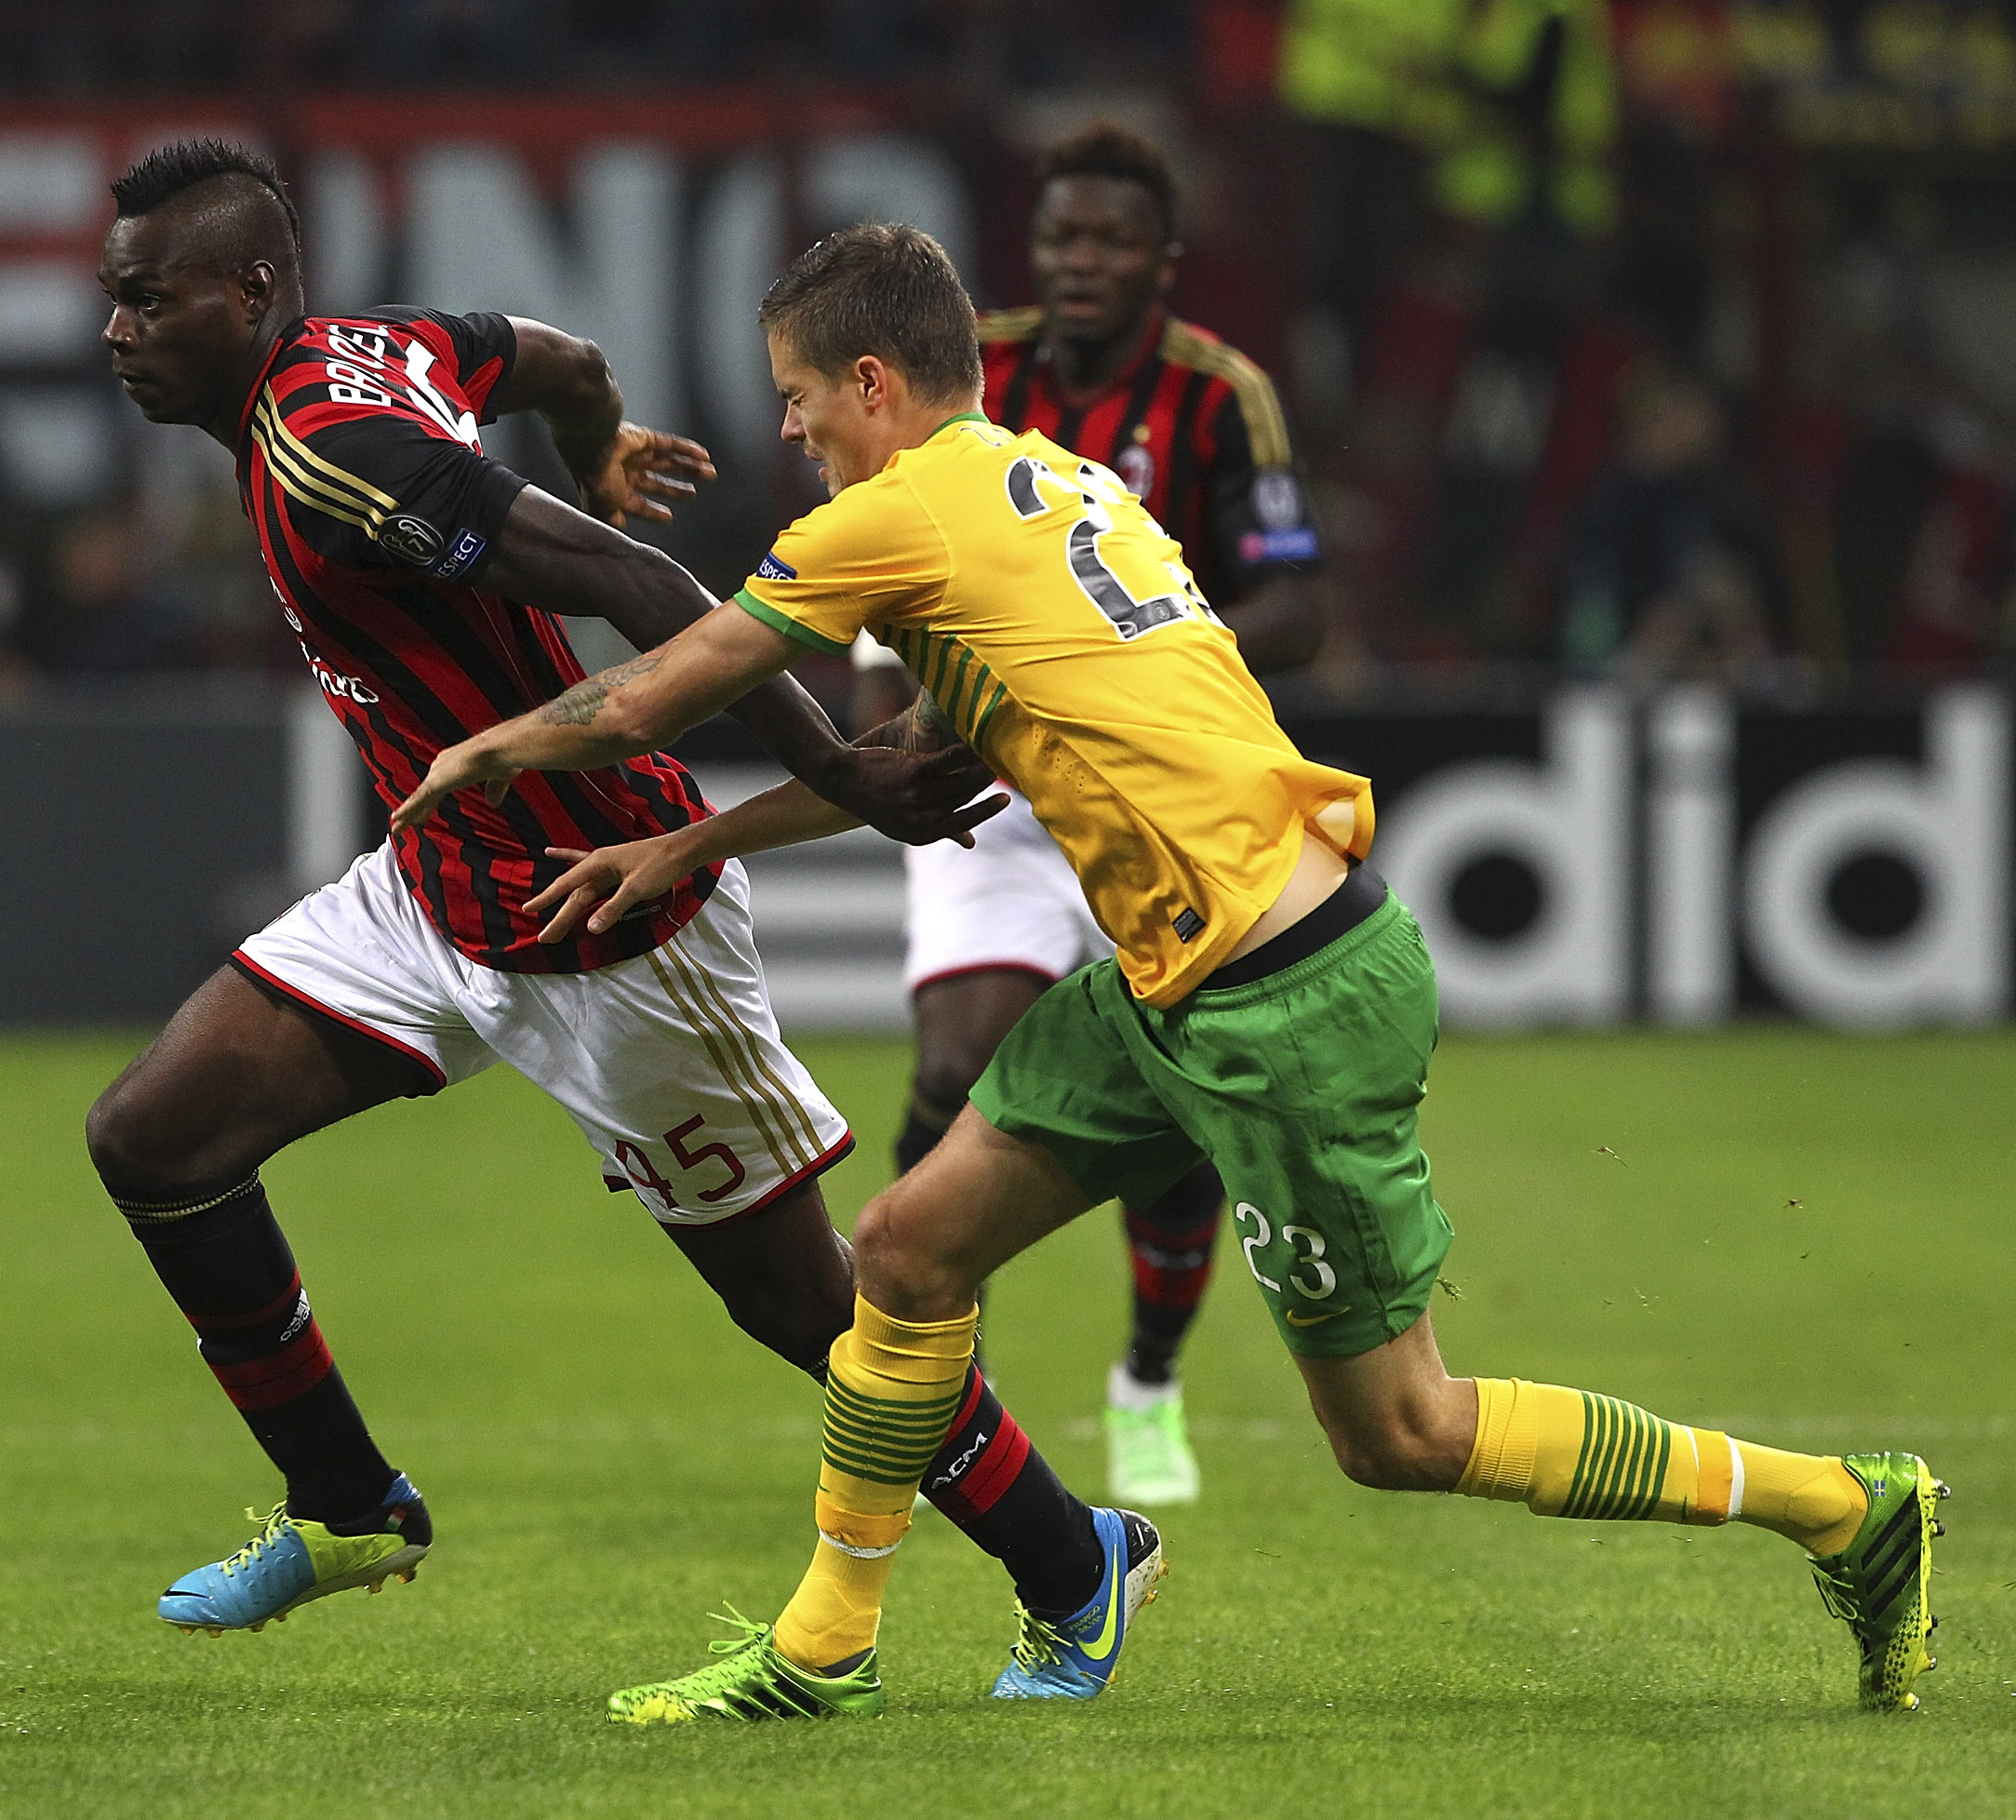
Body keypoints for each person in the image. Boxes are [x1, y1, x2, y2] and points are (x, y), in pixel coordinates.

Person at [395, 222, 1944, 1722]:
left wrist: (485, 748)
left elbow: (651, 692)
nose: (796, 433)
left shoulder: (894, 512)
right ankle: (825, 1646)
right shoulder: (1051, 488)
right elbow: (910, 755)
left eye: (800, 401)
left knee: (1403, 1430)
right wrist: (691, 849)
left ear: (872, 382)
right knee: (912, 1248)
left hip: (1286, 999)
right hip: (1179, 975)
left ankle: (1841, 1508)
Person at [85, 141, 1128, 1681]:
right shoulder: (370, 350)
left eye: (146, 299)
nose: (117, 331)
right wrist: (596, 439)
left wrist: (835, 767)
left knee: (803, 1306)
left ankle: (1075, 1556)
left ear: (247, 292)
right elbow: (557, 359)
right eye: (112, 300)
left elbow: (637, 583)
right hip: (436, 895)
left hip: (607, 913)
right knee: (155, 1140)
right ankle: (348, 1503)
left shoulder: (333, 447)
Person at [848, 122, 1325, 1509]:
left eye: (1111, 240)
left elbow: (1302, 606)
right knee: (951, 1076)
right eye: (1062, 237)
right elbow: (875, 526)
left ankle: (1150, 1384)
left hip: (1157, 791)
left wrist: (1136, 661)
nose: (1081, 263)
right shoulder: (970, 371)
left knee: (1175, 1110)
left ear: (1163, 263)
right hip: (997, 780)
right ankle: (925, 1385)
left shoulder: (1222, 398)